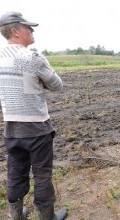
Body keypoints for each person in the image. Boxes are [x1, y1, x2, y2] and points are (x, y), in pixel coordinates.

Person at [0, 12, 68, 219]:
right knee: (42, 174)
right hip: (37, 129)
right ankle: (47, 216)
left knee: (15, 172)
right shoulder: (30, 57)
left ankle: (15, 215)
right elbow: (57, 86)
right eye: (28, 27)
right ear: (15, 31)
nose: (32, 30)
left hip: (11, 129)